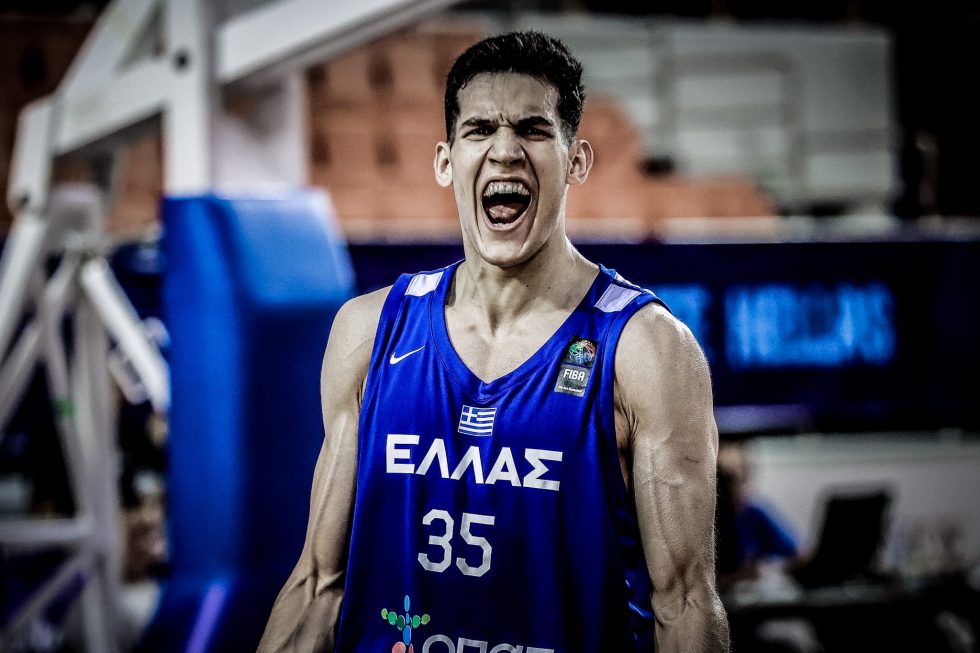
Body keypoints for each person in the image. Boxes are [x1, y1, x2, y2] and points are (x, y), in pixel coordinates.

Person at [259, 31, 728, 652]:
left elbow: (685, 604)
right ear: (445, 161)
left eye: (532, 129)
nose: (505, 151)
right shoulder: (369, 331)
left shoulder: (646, 348)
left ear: (576, 160)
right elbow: (319, 584)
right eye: (480, 130)